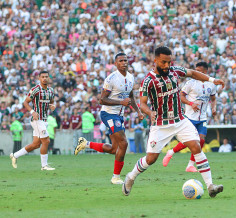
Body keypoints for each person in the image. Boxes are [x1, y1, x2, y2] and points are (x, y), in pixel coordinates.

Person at [122, 46, 224, 198]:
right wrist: (150, 112)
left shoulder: (175, 71)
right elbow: (142, 103)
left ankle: (210, 186)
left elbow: (193, 73)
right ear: (155, 60)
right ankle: (130, 177)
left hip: (180, 120)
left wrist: (211, 80)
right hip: (161, 124)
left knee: (196, 146)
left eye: (169, 62)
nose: (167, 66)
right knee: (151, 159)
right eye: (163, 62)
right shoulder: (148, 81)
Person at [74, 53, 143, 185]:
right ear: (116, 64)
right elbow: (102, 100)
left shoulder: (130, 77)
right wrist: (121, 102)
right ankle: (115, 177)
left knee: (114, 149)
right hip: (109, 114)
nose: (124, 62)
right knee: (124, 143)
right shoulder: (111, 78)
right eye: (121, 61)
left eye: (125, 60)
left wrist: (138, 111)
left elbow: (131, 98)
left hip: (119, 115)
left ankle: (86, 144)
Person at [162, 61, 217, 172]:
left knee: (201, 140)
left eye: (199, 71)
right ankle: (171, 152)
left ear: (205, 72)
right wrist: (191, 104)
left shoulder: (211, 84)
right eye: (195, 70)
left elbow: (213, 98)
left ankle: (190, 165)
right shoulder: (190, 83)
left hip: (202, 118)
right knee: (190, 141)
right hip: (190, 117)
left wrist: (214, 108)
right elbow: (181, 96)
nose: (196, 73)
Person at [10, 71, 56, 170]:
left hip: (44, 119)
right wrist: (32, 112)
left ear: (49, 78)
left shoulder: (51, 91)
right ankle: (44, 165)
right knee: (46, 140)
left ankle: (15, 156)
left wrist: (53, 106)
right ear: (39, 78)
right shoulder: (35, 89)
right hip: (36, 119)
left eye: (46, 77)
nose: (44, 78)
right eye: (42, 77)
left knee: (36, 144)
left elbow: (51, 102)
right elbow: (25, 102)